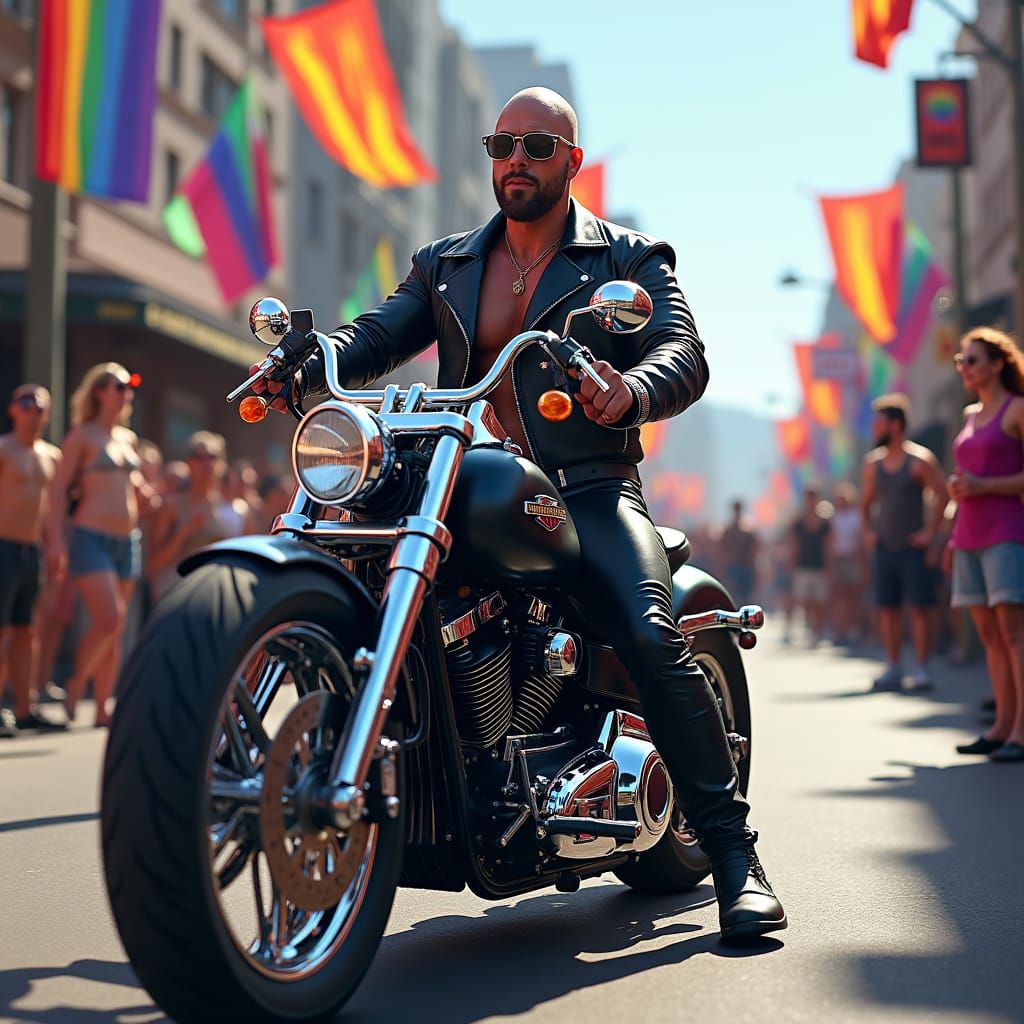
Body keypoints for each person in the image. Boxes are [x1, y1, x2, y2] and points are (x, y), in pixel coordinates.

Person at [257, 87, 785, 941]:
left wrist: (632, 389)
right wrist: (314, 354)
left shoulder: (627, 258)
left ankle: (735, 858)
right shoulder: (450, 263)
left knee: (651, 634)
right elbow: (380, 332)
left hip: (589, 482)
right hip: (474, 472)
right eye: (502, 143)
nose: (515, 160)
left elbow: (683, 350)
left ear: (572, 163)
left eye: (536, 146)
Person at [47, 363, 146, 727]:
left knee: (115, 629)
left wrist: (145, 493)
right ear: (99, 391)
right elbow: (58, 491)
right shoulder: (82, 436)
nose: (125, 393)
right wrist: (56, 540)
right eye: (118, 386)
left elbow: (130, 486)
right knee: (109, 618)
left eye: (128, 387)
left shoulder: (127, 438)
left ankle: (103, 707)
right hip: (91, 536)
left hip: (128, 539)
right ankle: (76, 682)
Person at [947, 329, 1024, 762]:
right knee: (990, 637)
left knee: (1014, 635)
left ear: (997, 364)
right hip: (969, 535)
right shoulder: (970, 414)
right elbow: (964, 481)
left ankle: (1021, 730)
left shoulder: (1017, 410)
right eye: (961, 360)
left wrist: (984, 485)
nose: (964, 367)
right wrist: (951, 528)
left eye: (972, 360)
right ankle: (1002, 726)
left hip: (1007, 532)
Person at [861, 394, 948, 692]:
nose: (874, 428)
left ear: (896, 425)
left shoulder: (919, 461)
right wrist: (869, 532)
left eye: (879, 422)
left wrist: (930, 533)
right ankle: (894, 667)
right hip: (885, 548)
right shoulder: (873, 465)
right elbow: (865, 503)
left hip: (913, 549)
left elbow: (943, 494)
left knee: (921, 608)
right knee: (888, 609)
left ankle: (922, 669)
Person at [0, 384, 66, 734]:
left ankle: (25, 708)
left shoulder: (51, 456)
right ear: (13, 409)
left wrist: (56, 546)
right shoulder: (4, 449)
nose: (33, 410)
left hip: (31, 550)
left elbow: (52, 510)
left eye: (40, 406)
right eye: (26, 403)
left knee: (27, 630)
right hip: (2, 545)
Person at [148, 431, 242, 603]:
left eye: (212, 457)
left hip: (210, 595)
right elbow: (153, 562)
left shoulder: (230, 509)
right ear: (189, 463)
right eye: (199, 457)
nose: (206, 464)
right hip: (173, 594)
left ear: (222, 463)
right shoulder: (172, 505)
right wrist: (185, 532)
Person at [790, 488, 831, 644]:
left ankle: (818, 630)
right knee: (805, 600)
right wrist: (792, 563)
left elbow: (828, 546)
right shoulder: (798, 522)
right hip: (803, 565)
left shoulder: (825, 523)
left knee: (820, 601)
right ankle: (810, 627)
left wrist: (829, 565)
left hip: (819, 565)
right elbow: (794, 544)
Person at [830, 482, 865, 646]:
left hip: (853, 559)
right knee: (839, 598)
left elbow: (861, 541)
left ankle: (854, 630)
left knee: (854, 597)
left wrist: (863, 562)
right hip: (838, 560)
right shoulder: (833, 518)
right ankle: (840, 630)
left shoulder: (856, 517)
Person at [720, 500, 758, 605]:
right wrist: (721, 567)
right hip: (732, 567)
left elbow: (753, 552)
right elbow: (721, 551)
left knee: (745, 598)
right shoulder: (728, 531)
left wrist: (754, 569)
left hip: (745, 567)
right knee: (732, 596)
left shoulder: (748, 531)